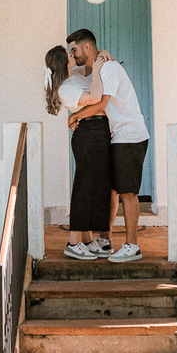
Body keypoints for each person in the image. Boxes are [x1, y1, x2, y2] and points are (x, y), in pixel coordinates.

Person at [65, 28, 149, 263]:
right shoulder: (96, 68)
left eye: (75, 50)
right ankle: (105, 239)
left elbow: (102, 102)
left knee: (127, 191)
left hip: (129, 134)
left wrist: (75, 116)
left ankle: (132, 245)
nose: (74, 54)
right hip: (116, 135)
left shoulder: (109, 68)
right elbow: (74, 71)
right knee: (112, 188)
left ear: (87, 47)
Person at [43, 44, 114, 261]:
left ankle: (86, 238)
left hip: (98, 130)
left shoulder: (73, 74)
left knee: (94, 186)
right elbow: (95, 96)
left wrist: (101, 56)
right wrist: (100, 70)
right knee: (84, 186)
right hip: (89, 133)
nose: (73, 54)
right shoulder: (65, 87)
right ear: (62, 61)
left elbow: (90, 66)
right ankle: (73, 242)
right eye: (69, 53)